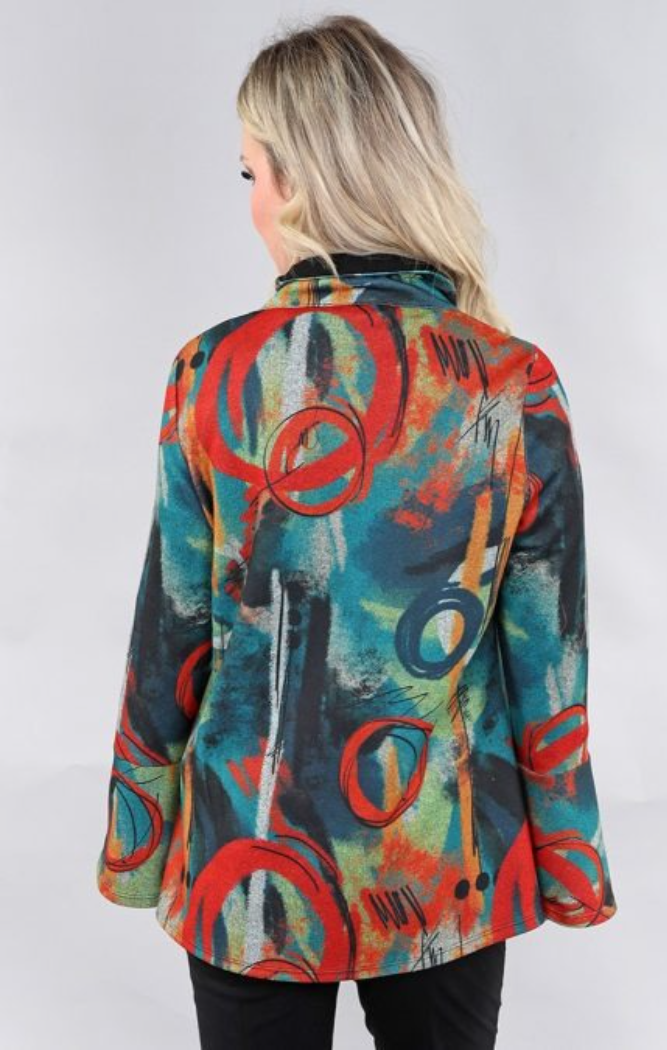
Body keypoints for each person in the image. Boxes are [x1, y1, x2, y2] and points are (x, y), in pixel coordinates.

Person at [95, 13, 618, 1050]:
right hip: (443, 857)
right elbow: (547, 668)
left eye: (250, 173)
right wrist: (569, 859)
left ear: (298, 179)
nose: (252, 202)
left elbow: (172, 641)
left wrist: (136, 843)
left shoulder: (213, 374)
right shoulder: (511, 383)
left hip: (248, 861)